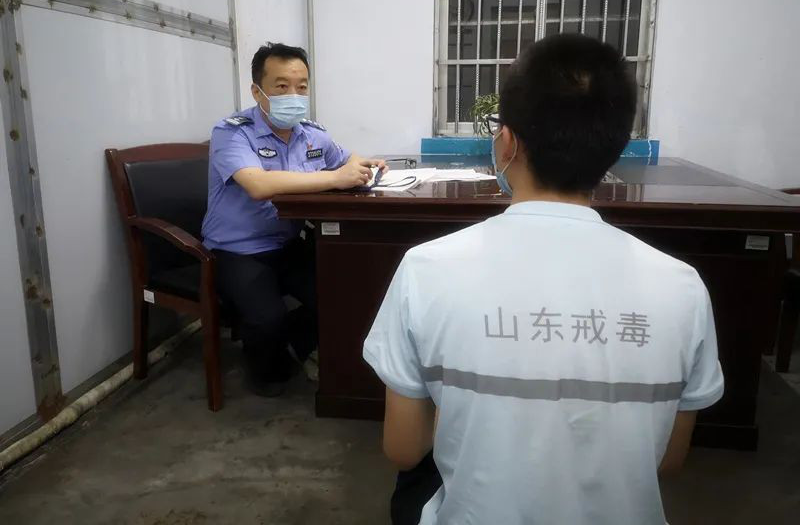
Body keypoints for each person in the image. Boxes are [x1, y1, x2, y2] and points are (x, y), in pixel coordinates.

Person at [363, 34, 724, 525]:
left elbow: (404, 449)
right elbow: (667, 460)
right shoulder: (682, 287)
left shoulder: (426, 268)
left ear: (507, 143)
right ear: (615, 150)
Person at [202, 42, 386, 397]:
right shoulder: (232, 132)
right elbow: (258, 185)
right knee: (267, 320)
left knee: (346, 291)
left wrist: (368, 164)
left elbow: (346, 159)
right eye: (282, 86)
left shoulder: (312, 133)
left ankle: (294, 343)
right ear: (257, 91)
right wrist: (335, 179)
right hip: (237, 251)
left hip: (288, 245)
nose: (294, 96)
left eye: (301, 87)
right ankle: (267, 367)